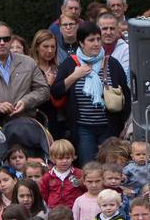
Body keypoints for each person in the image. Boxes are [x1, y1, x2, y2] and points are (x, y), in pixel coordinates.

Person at [53, 21, 130, 165]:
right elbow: (56, 92)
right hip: (83, 128)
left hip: (109, 127)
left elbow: (127, 95)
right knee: (89, 168)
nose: (96, 43)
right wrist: (74, 76)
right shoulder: (71, 64)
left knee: (109, 169)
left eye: (98, 39)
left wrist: (124, 126)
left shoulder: (112, 63)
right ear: (81, 43)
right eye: (91, 40)